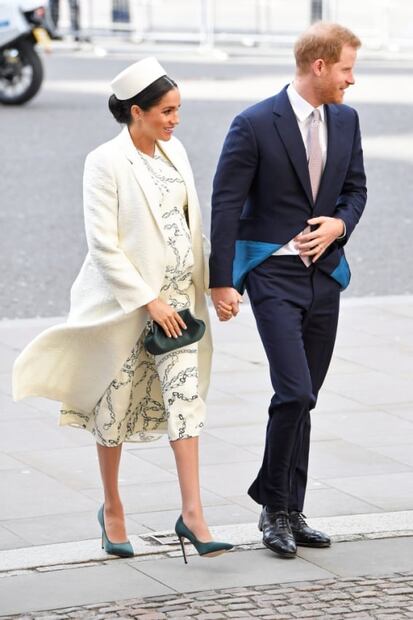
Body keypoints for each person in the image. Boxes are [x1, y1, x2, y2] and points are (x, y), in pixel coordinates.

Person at [13, 57, 233, 563]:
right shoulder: (104, 161)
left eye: (178, 109)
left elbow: (189, 228)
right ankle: (112, 509)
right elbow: (103, 245)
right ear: (137, 111)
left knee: (186, 403)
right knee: (113, 410)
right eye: (167, 111)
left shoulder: (176, 152)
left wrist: (215, 285)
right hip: (126, 309)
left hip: (179, 307)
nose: (176, 120)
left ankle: (193, 515)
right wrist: (148, 301)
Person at [209, 22, 367, 558]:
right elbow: (226, 204)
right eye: (346, 69)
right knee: (294, 391)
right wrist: (222, 281)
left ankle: (289, 508)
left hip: (325, 274)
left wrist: (339, 225)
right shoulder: (254, 123)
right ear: (319, 66)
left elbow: (355, 190)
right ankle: (274, 508)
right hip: (273, 275)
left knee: (306, 398)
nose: (352, 80)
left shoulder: (346, 120)